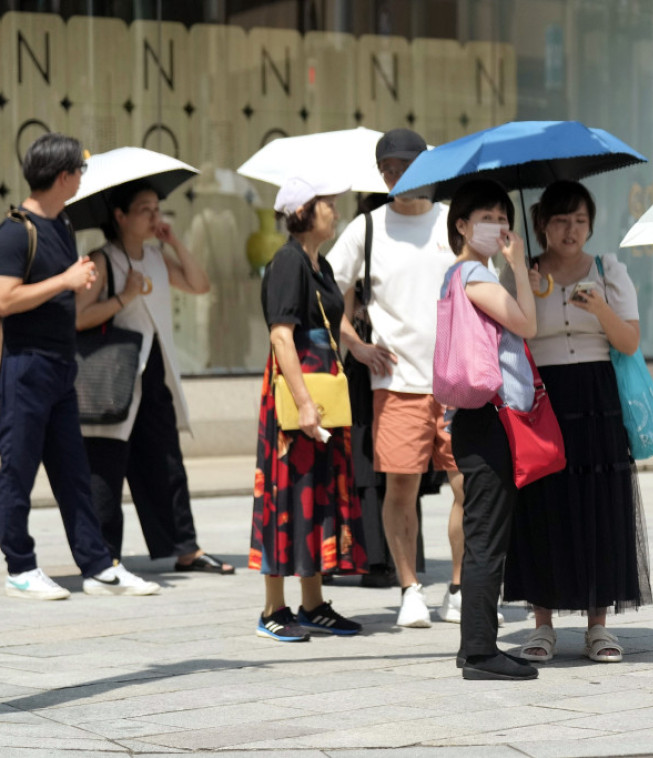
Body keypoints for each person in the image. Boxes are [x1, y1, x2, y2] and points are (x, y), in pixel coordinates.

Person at [0, 133, 160, 599]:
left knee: (74, 471)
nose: (82, 178)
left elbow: (55, 289)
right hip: (25, 366)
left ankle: (97, 566)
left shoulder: (63, 225)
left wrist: (77, 282)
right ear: (63, 176)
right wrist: (64, 280)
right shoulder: (16, 231)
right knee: (17, 471)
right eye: (79, 171)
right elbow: (5, 299)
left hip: (60, 366)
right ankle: (20, 566)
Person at [500, 180, 651, 664]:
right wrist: (520, 282)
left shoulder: (609, 269)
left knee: (600, 505)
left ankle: (598, 625)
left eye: (580, 220)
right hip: (541, 397)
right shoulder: (522, 271)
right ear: (542, 224)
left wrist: (600, 308)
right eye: (561, 220)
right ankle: (542, 624)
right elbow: (505, 336)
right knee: (542, 504)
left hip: (596, 395)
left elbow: (629, 342)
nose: (571, 230)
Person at [327, 128, 469, 629]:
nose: (395, 176)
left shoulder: (453, 221)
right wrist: (355, 345)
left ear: (425, 166)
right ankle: (410, 588)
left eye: (404, 166)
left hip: (458, 383)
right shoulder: (366, 228)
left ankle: (459, 587)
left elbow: (484, 285)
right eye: (387, 169)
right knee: (400, 489)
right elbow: (325, 292)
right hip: (395, 383)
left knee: (468, 488)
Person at [75, 180, 233, 574]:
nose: (154, 216)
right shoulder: (102, 260)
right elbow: (77, 317)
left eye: (156, 209)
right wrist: (124, 298)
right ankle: (104, 554)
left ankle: (185, 548)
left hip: (154, 371)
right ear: (120, 216)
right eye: (144, 209)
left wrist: (175, 242)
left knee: (166, 460)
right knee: (107, 464)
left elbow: (199, 284)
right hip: (113, 374)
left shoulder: (157, 258)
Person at [250, 175, 367, 641]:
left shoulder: (319, 264)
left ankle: (314, 603)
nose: (335, 212)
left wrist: (360, 348)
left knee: (316, 493)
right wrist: (302, 403)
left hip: (323, 392)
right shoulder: (288, 262)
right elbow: (281, 335)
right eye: (327, 204)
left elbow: (333, 322)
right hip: (298, 392)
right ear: (303, 211)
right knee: (286, 494)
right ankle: (272, 609)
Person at [442, 179, 538, 680]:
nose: (498, 225)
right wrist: (518, 267)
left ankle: (474, 646)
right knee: (485, 538)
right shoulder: (474, 273)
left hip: (476, 416)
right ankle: (480, 652)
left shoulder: (456, 274)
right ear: (461, 224)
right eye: (487, 217)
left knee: (485, 533)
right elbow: (527, 325)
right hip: (488, 417)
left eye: (503, 217)